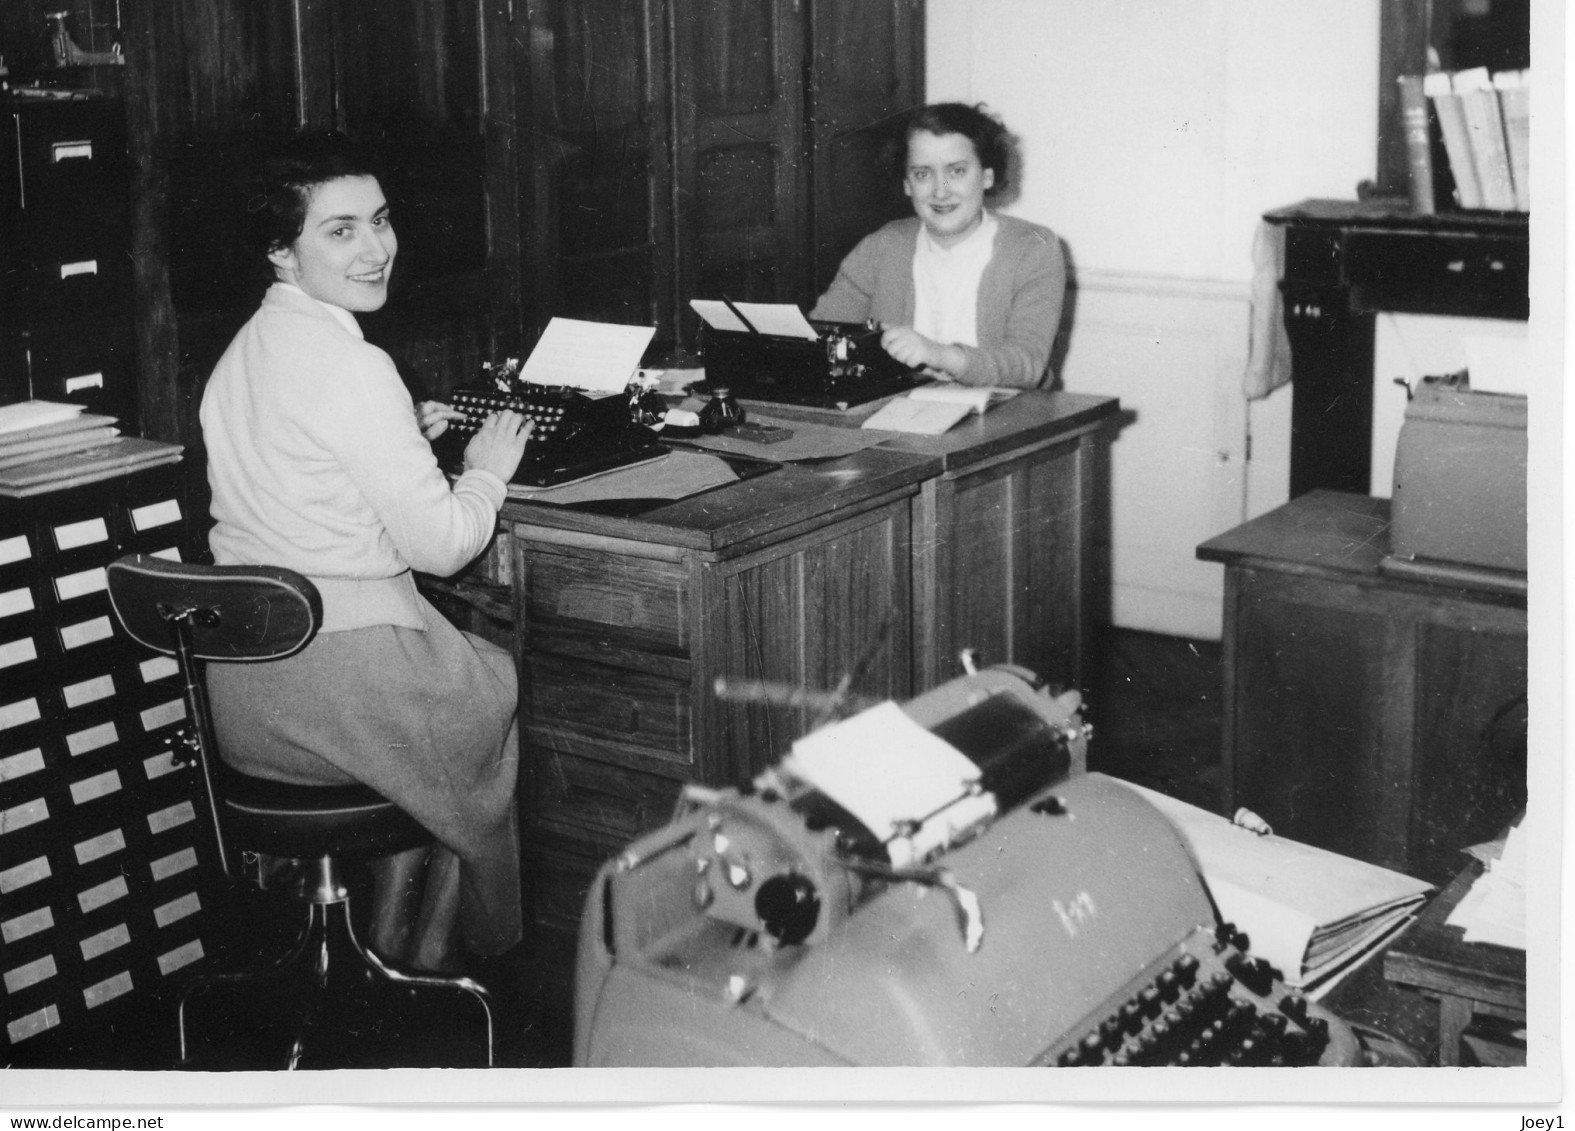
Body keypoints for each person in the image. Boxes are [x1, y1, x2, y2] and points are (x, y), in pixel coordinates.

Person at [198, 131, 533, 977]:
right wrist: (486, 474)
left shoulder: (240, 354)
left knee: (456, 697)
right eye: (339, 231)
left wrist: (399, 444)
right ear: (281, 249)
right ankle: (417, 959)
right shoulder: (356, 367)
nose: (376, 249)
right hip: (342, 691)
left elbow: (301, 489)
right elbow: (448, 547)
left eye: (379, 222)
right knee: (490, 688)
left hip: (250, 701)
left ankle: (388, 952)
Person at [810, 102, 1066, 389]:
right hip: (900, 415)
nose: (940, 191)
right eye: (922, 174)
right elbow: (819, 335)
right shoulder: (882, 245)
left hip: (1006, 419)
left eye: (956, 171)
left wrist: (941, 355)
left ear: (987, 176)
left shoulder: (1033, 248)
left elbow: (1026, 366)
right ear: (907, 184)